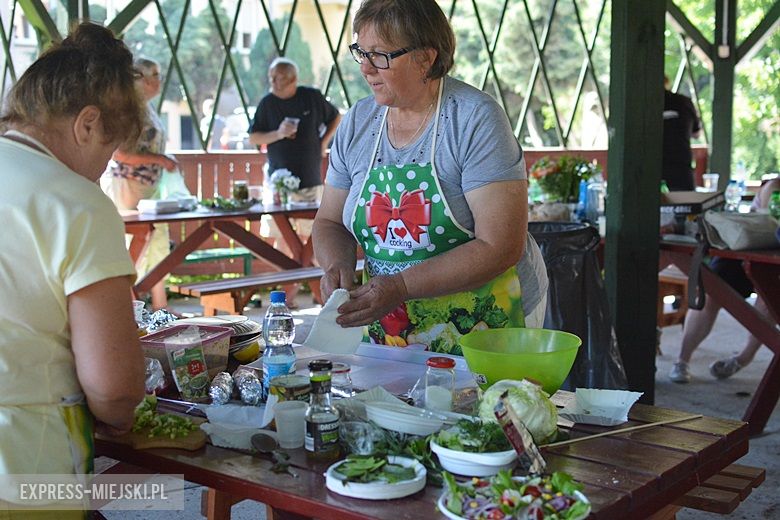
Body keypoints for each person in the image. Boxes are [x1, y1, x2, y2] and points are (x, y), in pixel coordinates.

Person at [312, 0, 548, 353]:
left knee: (485, 408)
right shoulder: (358, 123)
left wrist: (400, 286)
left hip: (486, 318)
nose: (364, 68)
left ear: (424, 58)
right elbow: (330, 220)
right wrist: (336, 267)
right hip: (391, 318)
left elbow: (500, 245)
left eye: (379, 55)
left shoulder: (475, 119)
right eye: (360, 51)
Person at [0, 22, 145, 512]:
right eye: (108, 149)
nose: (103, 170)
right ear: (86, 124)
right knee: (153, 495)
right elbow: (114, 386)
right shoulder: (75, 202)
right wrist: (121, 414)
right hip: (24, 468)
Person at [248, 57, 342, 305]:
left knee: (314, 239)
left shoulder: (310, 97)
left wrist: (324, 143)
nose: (272, 82)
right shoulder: (267, 104)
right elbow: (254, 137)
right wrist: (277, 134)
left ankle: (303, 295)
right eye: (271, 77)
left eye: (277, 77)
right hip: (279, 183)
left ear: (292, 79)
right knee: (283, 241)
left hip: (310, 179)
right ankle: (297, 296)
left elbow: (336, 117)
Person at [669, 177, 780, 383]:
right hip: (747, 248)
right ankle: (682, 360)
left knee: (770, 300)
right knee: (711, 294)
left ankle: (743, 359)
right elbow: (771, 225)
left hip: (772, 261)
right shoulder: (775, 187)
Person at [100, 57, 179, 310]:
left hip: (149, 186)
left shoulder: (146, 107)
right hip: (128, 185)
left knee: (156, 240)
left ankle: (159, 305)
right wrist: (159, 159)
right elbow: (120, 154)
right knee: (140, 233)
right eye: (155, 74)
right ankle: (125, 296)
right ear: (142, 79)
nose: (159, 80)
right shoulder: (128, 109)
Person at [662, 76, 702, 191]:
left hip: (651, 168)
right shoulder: (684, 102)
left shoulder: (643, 105)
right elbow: (697, 133)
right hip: (681, 169)